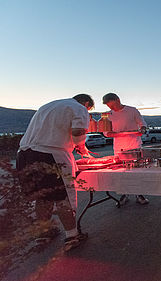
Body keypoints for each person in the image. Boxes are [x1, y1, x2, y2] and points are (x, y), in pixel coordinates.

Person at [16, 94, 94, 251]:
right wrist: (81, 147)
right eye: (89, 108)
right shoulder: (79, 108)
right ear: (86, 103)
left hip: (25, 155)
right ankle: (72, 236)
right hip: (50, 155)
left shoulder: (47, 106)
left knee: (43, 196)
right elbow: (78, 132)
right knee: (63, 196)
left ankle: (43, 233)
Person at [103, 93, 149, 205]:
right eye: (109, 107)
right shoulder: (108, 115)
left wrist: (142, 129)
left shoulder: (132, 110)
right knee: (121, 172)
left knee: (136, 171)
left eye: (113, 106)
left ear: (118, 100)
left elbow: (142, 123)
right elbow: (105, 131)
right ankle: (124, 193)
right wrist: (109, 134)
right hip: (119, 146)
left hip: (134, 144)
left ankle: (139, 194)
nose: (112, 109)